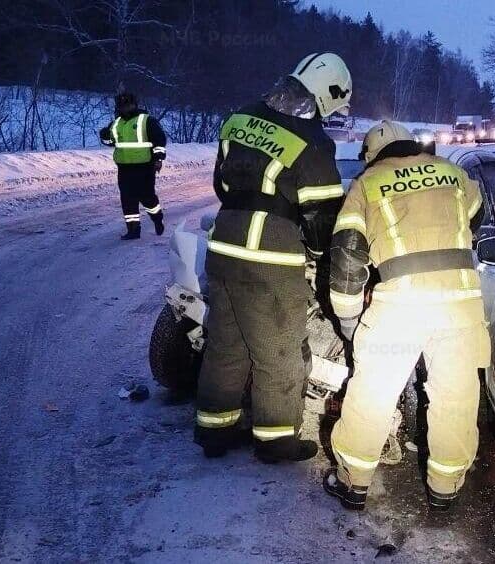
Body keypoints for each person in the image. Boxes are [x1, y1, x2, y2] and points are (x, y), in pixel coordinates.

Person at [323, 121, 491, 511]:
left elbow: (347, 256)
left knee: (373, 394)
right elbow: (476, 216)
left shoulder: (366, 184)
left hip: (399, 306)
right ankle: (445, 488)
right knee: (455, 397)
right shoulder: (450, 170)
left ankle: (353, 483)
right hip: (459, 305)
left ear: (370, 156)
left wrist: (348, 320)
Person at [194, 53, 351, 464]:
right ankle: (274, 440)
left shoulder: (240, 117)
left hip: (223, 246)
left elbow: (222, 184)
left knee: (226, 342)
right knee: (278, 350)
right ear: (327, 93)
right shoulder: (313, 142)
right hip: (270, 257)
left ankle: (214, 430)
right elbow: (321, 217)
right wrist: (318, 258)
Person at [99, 92, 167, 240]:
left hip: (145, 167)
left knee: (147, 197)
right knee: (127, 199)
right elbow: (111, 142)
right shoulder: (117, 123)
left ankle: (157, 218)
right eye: (122, 105)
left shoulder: (146, 120)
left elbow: (159, 140)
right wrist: (104, 136)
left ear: (134, 104)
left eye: (127, 104)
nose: (124, 107)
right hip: (124, 168)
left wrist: (158, 158)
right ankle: (133, 230)